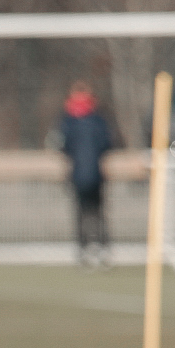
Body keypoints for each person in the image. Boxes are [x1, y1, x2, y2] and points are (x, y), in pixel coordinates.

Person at [57, 81, 115, 268]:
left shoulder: (68, 121)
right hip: (96, 173)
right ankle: (102, 249)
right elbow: (107, 144)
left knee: (81, 213)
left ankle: (84, 250)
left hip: (78, 174)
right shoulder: (98, 120)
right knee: (98, 213)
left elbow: (63, 146)